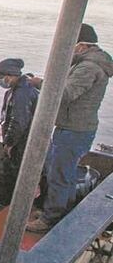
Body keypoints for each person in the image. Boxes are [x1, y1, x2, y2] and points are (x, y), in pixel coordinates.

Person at [27, 24, 113, 233]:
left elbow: (65, 94)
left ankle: (51, 218)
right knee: (55, 170)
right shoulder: (86, 63)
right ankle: (51, 210)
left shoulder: (88, 68)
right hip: (70, 128)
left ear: (82, 45)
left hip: (74, 131)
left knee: (60, 175)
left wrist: (39, 83)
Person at [0, 58, 39, 203]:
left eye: (1, 77)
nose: (0, 81)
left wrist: (9, 143)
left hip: (22, 145)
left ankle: (10, 207)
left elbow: (18, 121)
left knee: (15, 180)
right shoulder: (21, 89)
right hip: (24, 143)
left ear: (10, 76)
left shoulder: (22, 93)